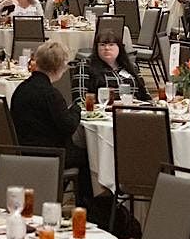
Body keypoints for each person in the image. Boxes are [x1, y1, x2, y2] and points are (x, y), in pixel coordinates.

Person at [11, 40, 93, 210]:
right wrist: (76, 109)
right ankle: (87, 208)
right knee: (89, 157)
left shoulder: (21, 88)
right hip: (48, 153)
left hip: (21, 148)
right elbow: (68, 126)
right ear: (59, 68)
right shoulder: (51, 94)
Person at [85, 29, 150, 101]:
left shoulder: (131, 66)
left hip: (133, 107)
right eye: (102, 45)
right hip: (102, 107)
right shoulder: (86, 66)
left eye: (111, 44)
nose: (107, 48)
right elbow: (80, 100)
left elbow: (146, 96)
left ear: (119, 47)